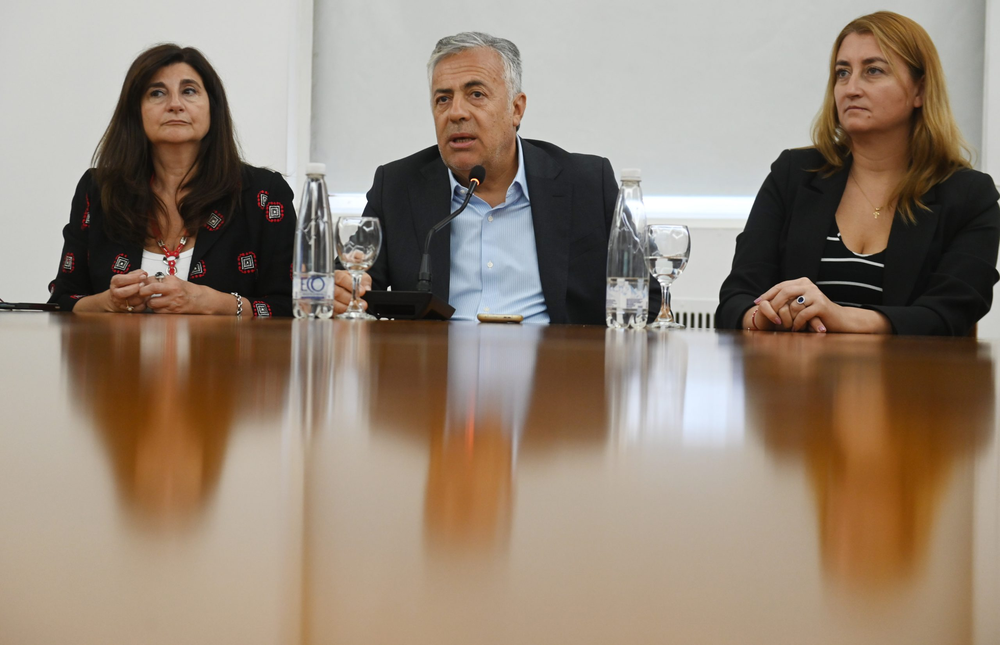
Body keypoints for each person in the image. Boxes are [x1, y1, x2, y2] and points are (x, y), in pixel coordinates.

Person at [334, 32, 658, 324]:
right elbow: (352, 282)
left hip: (555, 375)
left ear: (516, 110)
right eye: (443, 99)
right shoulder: (398, 186)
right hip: (434, 377)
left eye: (475, 94)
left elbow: (648, 300)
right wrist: (344, 291)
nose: (456, 112)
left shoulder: (586, 183)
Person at [716, 11, 1000, 336]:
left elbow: (951, 313)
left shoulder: (969, 195)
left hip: (911, 382)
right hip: (795, 381)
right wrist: (763, 316)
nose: (851, 88)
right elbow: (735, 300)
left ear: (920, 91)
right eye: (842, 73)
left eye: (873, 71)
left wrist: (839, 317)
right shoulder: (794, 175)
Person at [48, 44, 296, 317]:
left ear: (212, 108)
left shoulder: (263, 194)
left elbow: (292, 306)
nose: (175, 104)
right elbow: (63, 301)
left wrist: (211, 302)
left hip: (227, 359)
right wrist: (109, 302)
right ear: (136, 111)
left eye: (189, 91)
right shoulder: (99, 191)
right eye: (157, 93)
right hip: (118, 359)